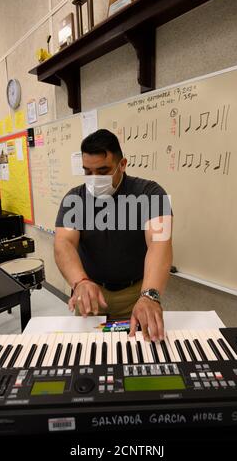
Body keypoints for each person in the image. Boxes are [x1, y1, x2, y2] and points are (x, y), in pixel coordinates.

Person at [54, 129, 173, 341]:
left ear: (122, 164)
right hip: (90, 293)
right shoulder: (75, 198)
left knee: (135, 351)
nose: (94, 179)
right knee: (89, 353)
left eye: (103, 171)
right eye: (88, 172)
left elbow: (159, 244)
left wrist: (150, 295)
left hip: (135, 294)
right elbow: (64, 242)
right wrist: (79, 282)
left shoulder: (150, 193)